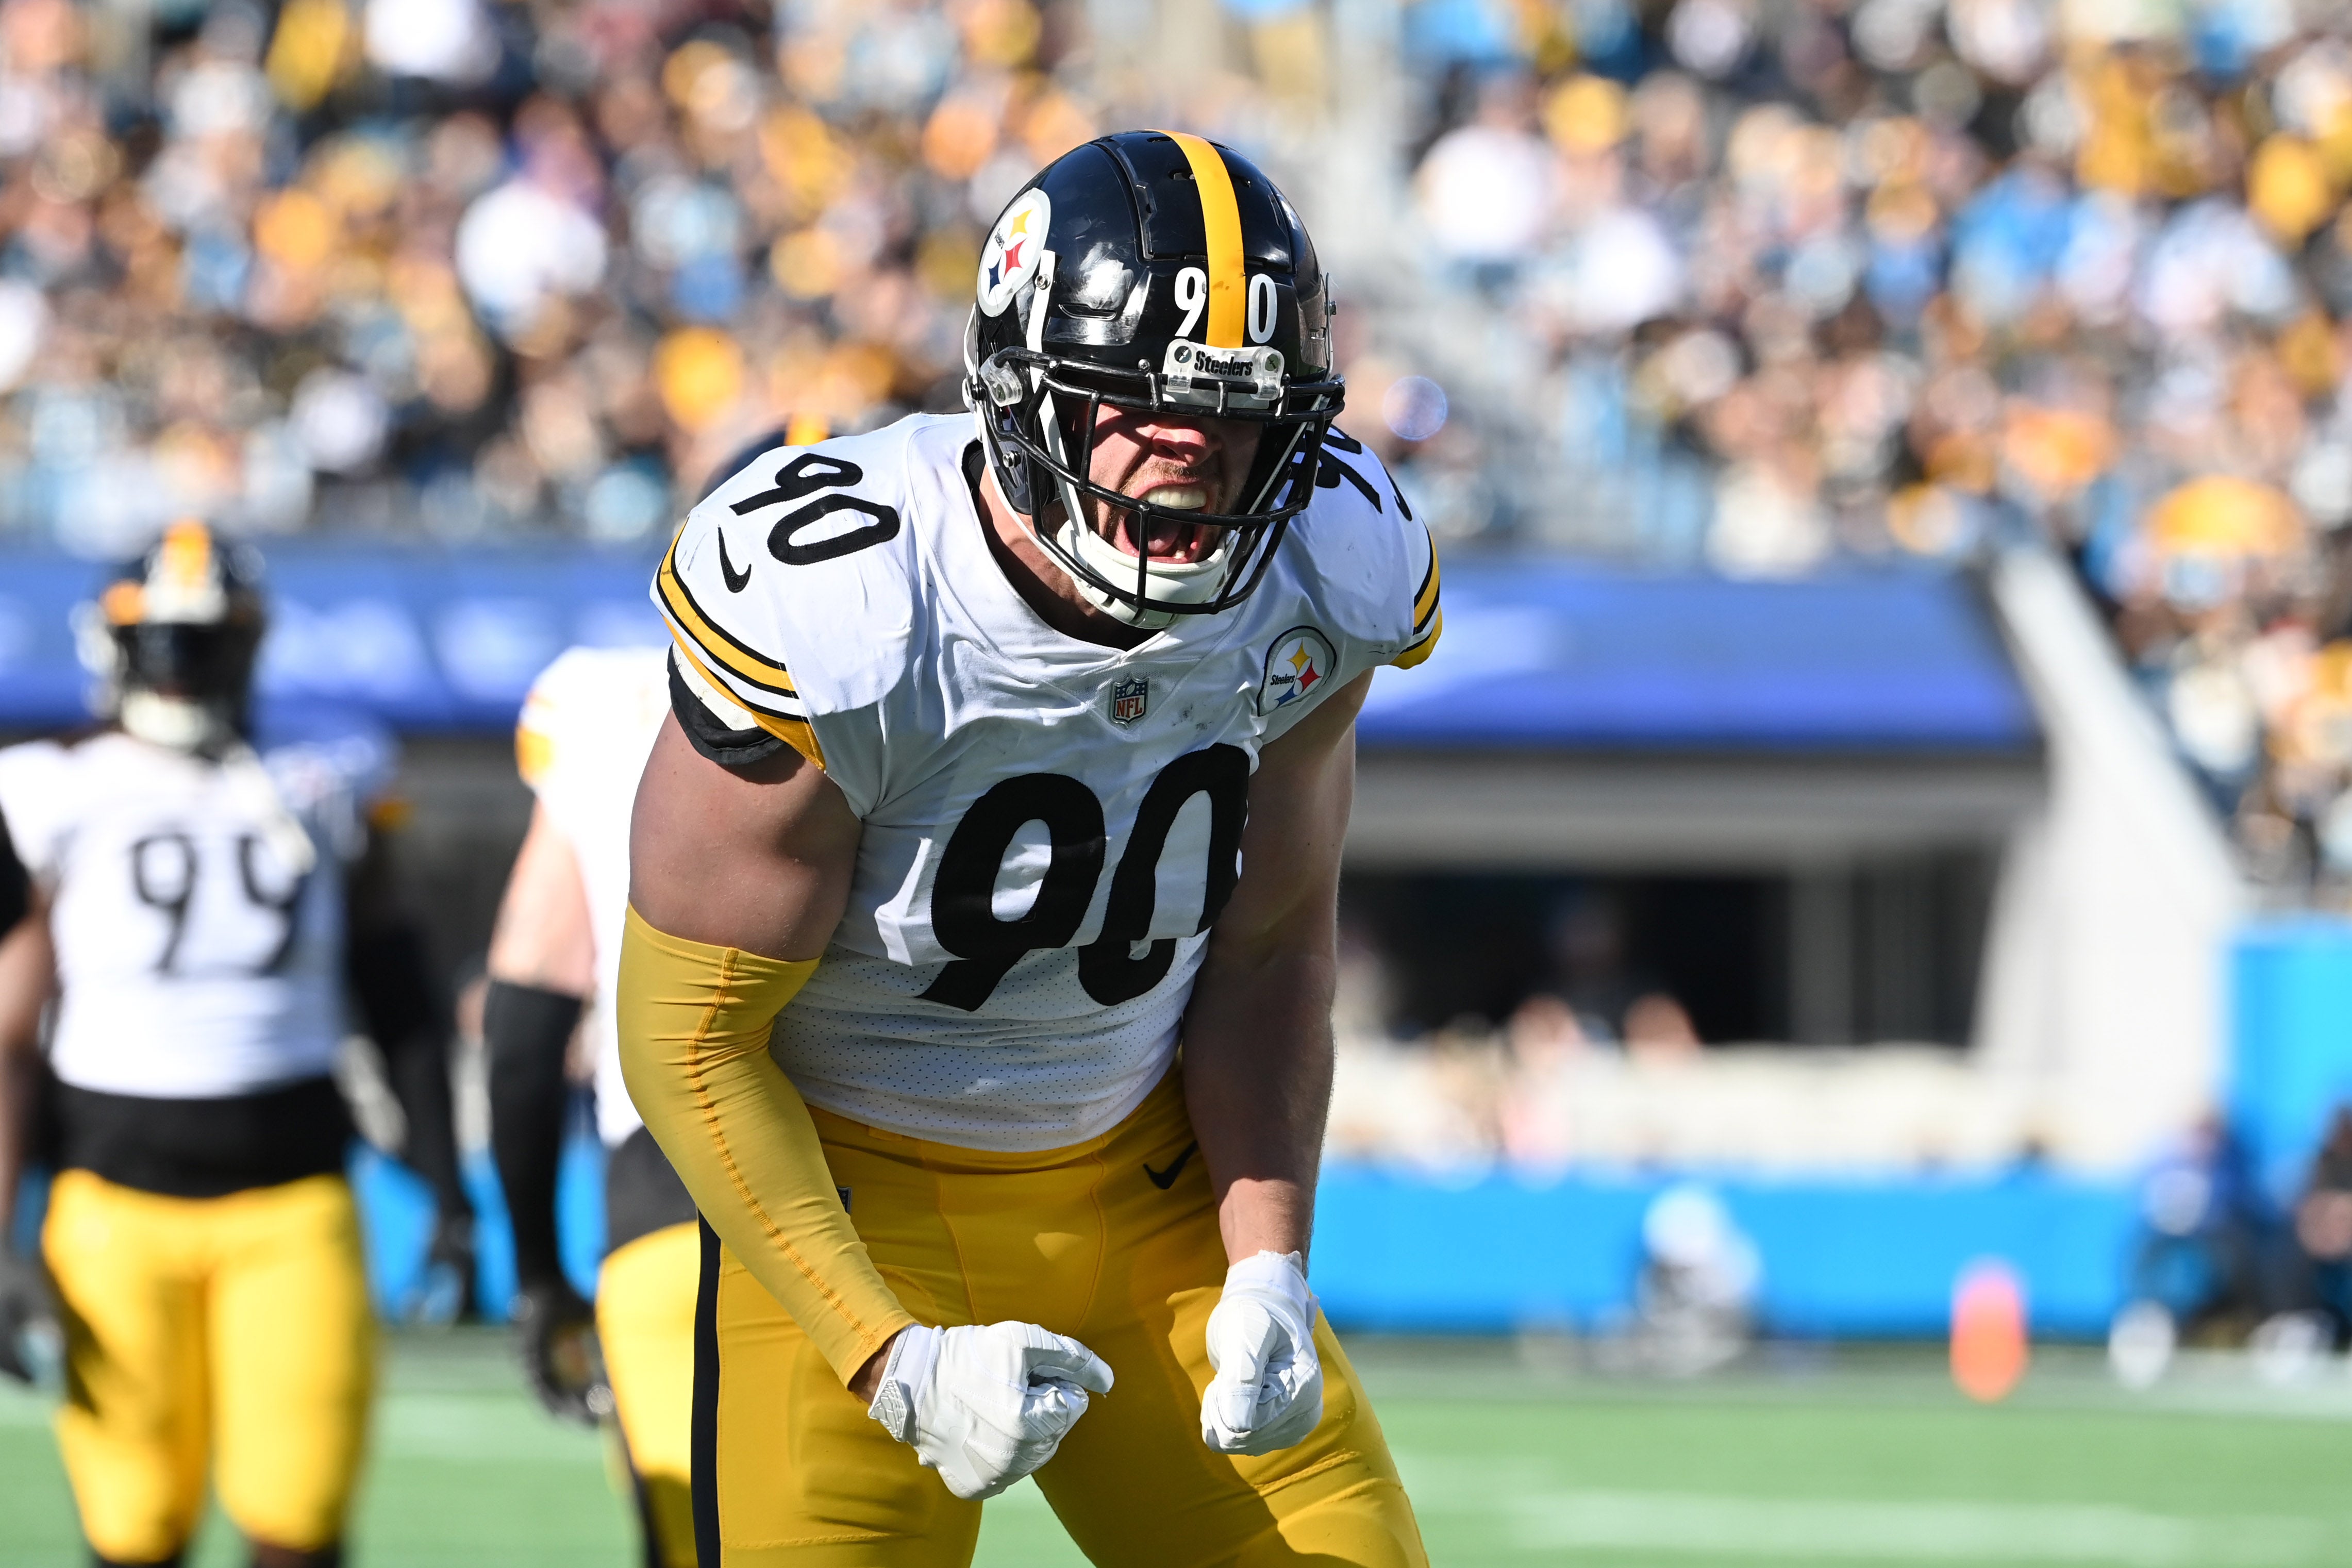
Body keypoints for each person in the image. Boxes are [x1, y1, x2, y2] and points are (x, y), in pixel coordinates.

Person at [619, 131, 1442, 1566]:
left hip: (1150, 1191)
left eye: (1243, 414)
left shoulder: (1324, 565)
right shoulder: (853, 601)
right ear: (1018, 388)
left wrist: (1268, 1262)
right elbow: (686, 1039)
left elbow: (1265, 948)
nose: (1197, 455)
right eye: (1139, 403)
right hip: (852, 1214)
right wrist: (887, 1357)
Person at [0, 521, 475, 1568]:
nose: (185, 667)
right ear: (113, 646)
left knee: (297, 1523)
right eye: (165, 642)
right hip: (110, 1203)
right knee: (136, 1530)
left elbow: (396, 996)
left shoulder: (327, 767)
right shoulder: (53, 789)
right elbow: (8, 1035)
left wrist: (447, 1186)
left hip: (291, 1195)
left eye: (207, 641)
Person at [481, 638, 690, 1565]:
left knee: (700, 1535)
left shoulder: (605, 700)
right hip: (897, 1184)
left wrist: (537, 1271)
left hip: (673, 1179)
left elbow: (526, 1022)